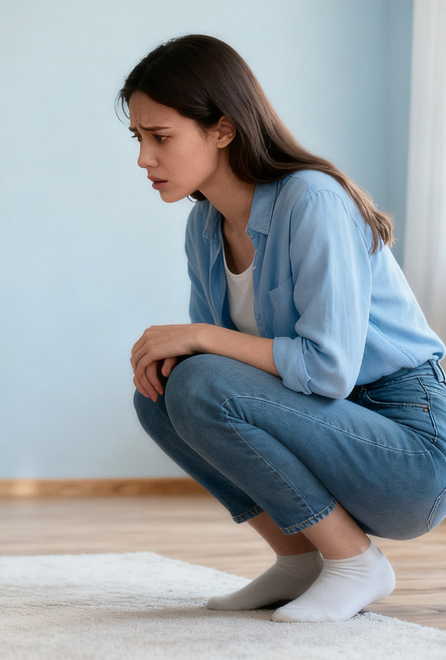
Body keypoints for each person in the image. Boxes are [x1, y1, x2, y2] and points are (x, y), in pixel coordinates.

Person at [122, 34, 446, 623]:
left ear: (223, 129)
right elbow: (215, 376)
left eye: (160, 137)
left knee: (197, 378)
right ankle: (299, 560)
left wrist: (200, 337)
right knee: (162, 393)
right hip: (329, 429)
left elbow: (329, 369)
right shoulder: (204, 226)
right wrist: (188, 352)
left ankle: (357, 563)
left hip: (410, 452)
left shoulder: (312, 200)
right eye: (137, 138)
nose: (144, 158)